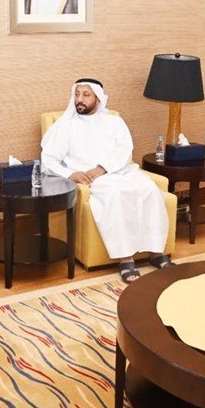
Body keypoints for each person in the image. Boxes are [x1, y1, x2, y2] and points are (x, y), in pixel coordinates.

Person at [41, 78, 171, 283]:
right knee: (116, 195)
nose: (80, 99)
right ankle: (125, 258)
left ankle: (156, 252)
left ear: (98, 98)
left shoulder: (114, 122)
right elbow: (48, 160)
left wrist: (102, 168)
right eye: (77, 94)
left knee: (150, 190)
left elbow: (125, 151)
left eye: (86, 95)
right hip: (91, 179)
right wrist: (71, 174)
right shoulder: (65, 126)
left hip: (120, 171)